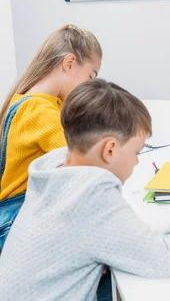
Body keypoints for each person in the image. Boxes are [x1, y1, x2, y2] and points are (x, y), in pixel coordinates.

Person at [0, 79, 170, 300]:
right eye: (136, 153)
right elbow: (166, 258)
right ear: (110, 149)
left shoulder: (52, 172)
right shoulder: (90, 196)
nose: (136, 163)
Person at [0, 24, 102, 249]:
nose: (90, 85)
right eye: (90, 76)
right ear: (69, 63)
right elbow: (82, 160)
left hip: (21, 212)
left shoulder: (40, 102)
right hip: (16, 221)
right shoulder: (38, 110)